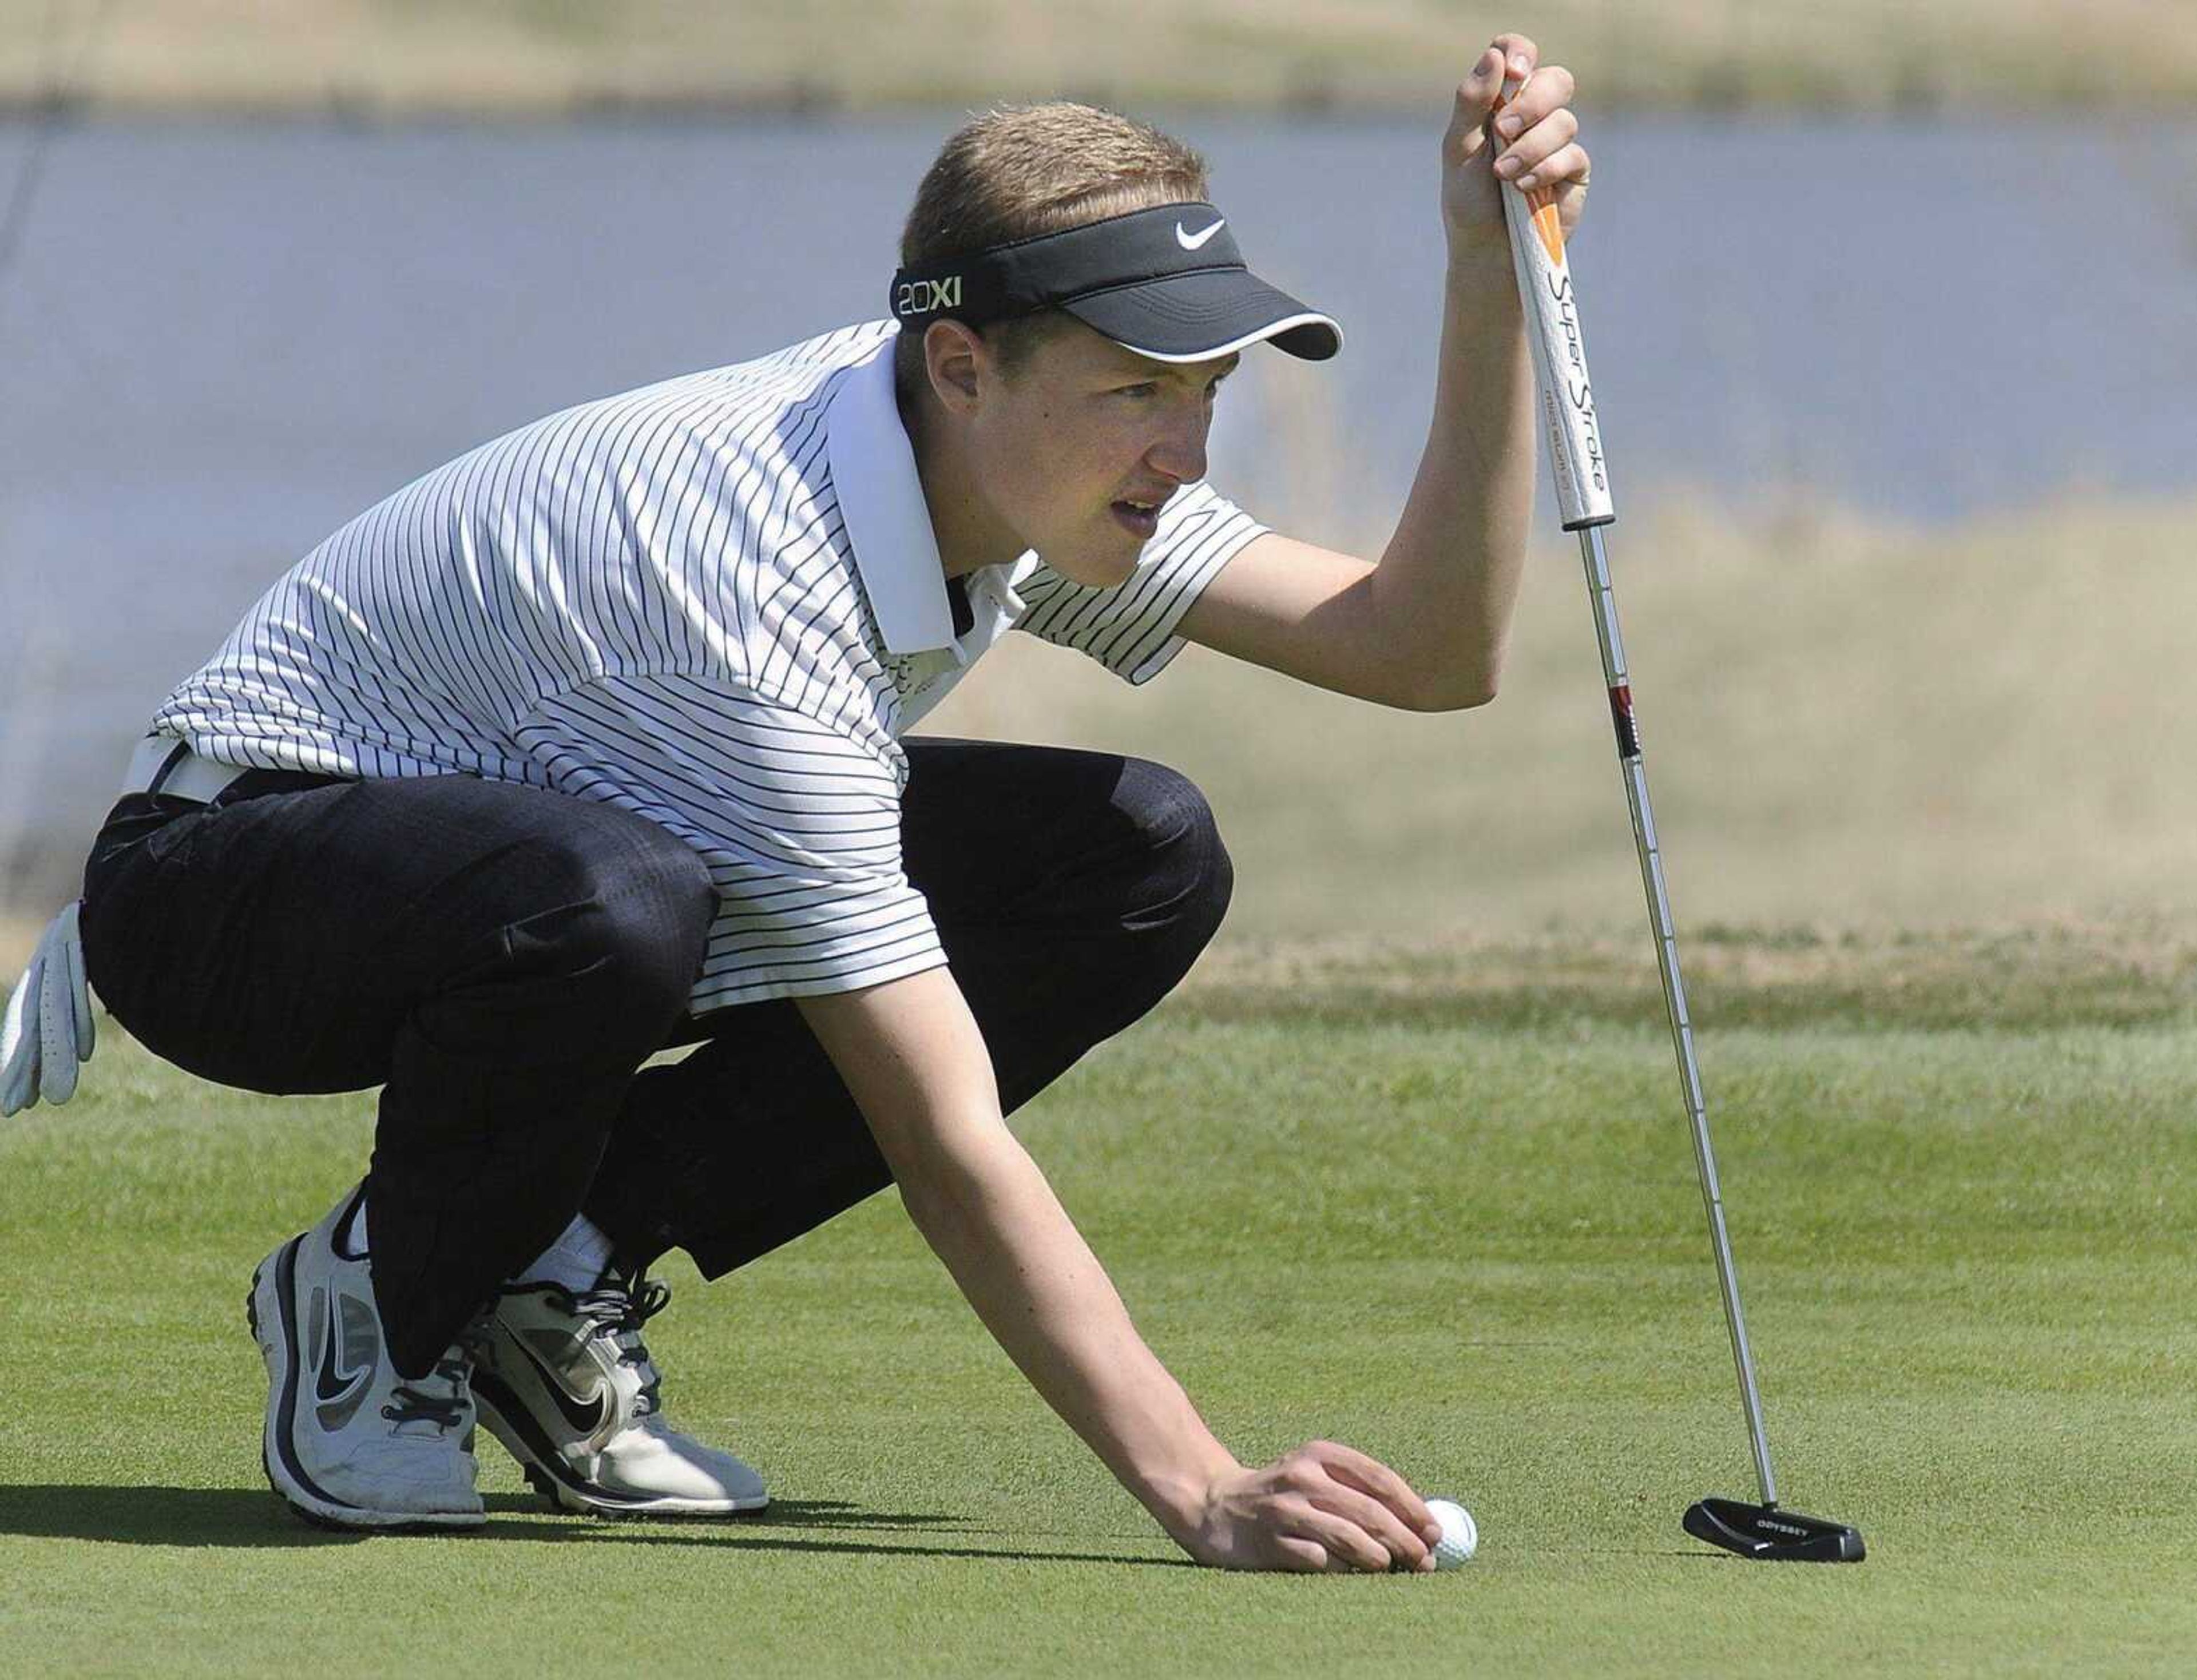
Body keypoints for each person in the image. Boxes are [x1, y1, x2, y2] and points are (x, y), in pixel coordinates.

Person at [1, 36, 1589, 1570]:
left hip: (498, 859)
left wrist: (1487, 276)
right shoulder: (767, 593)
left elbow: (1424, 647)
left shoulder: (995, 453)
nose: (1183, 448)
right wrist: (1204, 1487)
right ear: (963, 364)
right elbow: (943, 1130)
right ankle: (381, 1302)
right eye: (1135, 392)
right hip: (223, 888)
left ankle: (549, 1277)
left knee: (1134, 857)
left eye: (1206, 392)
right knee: (614, 900)